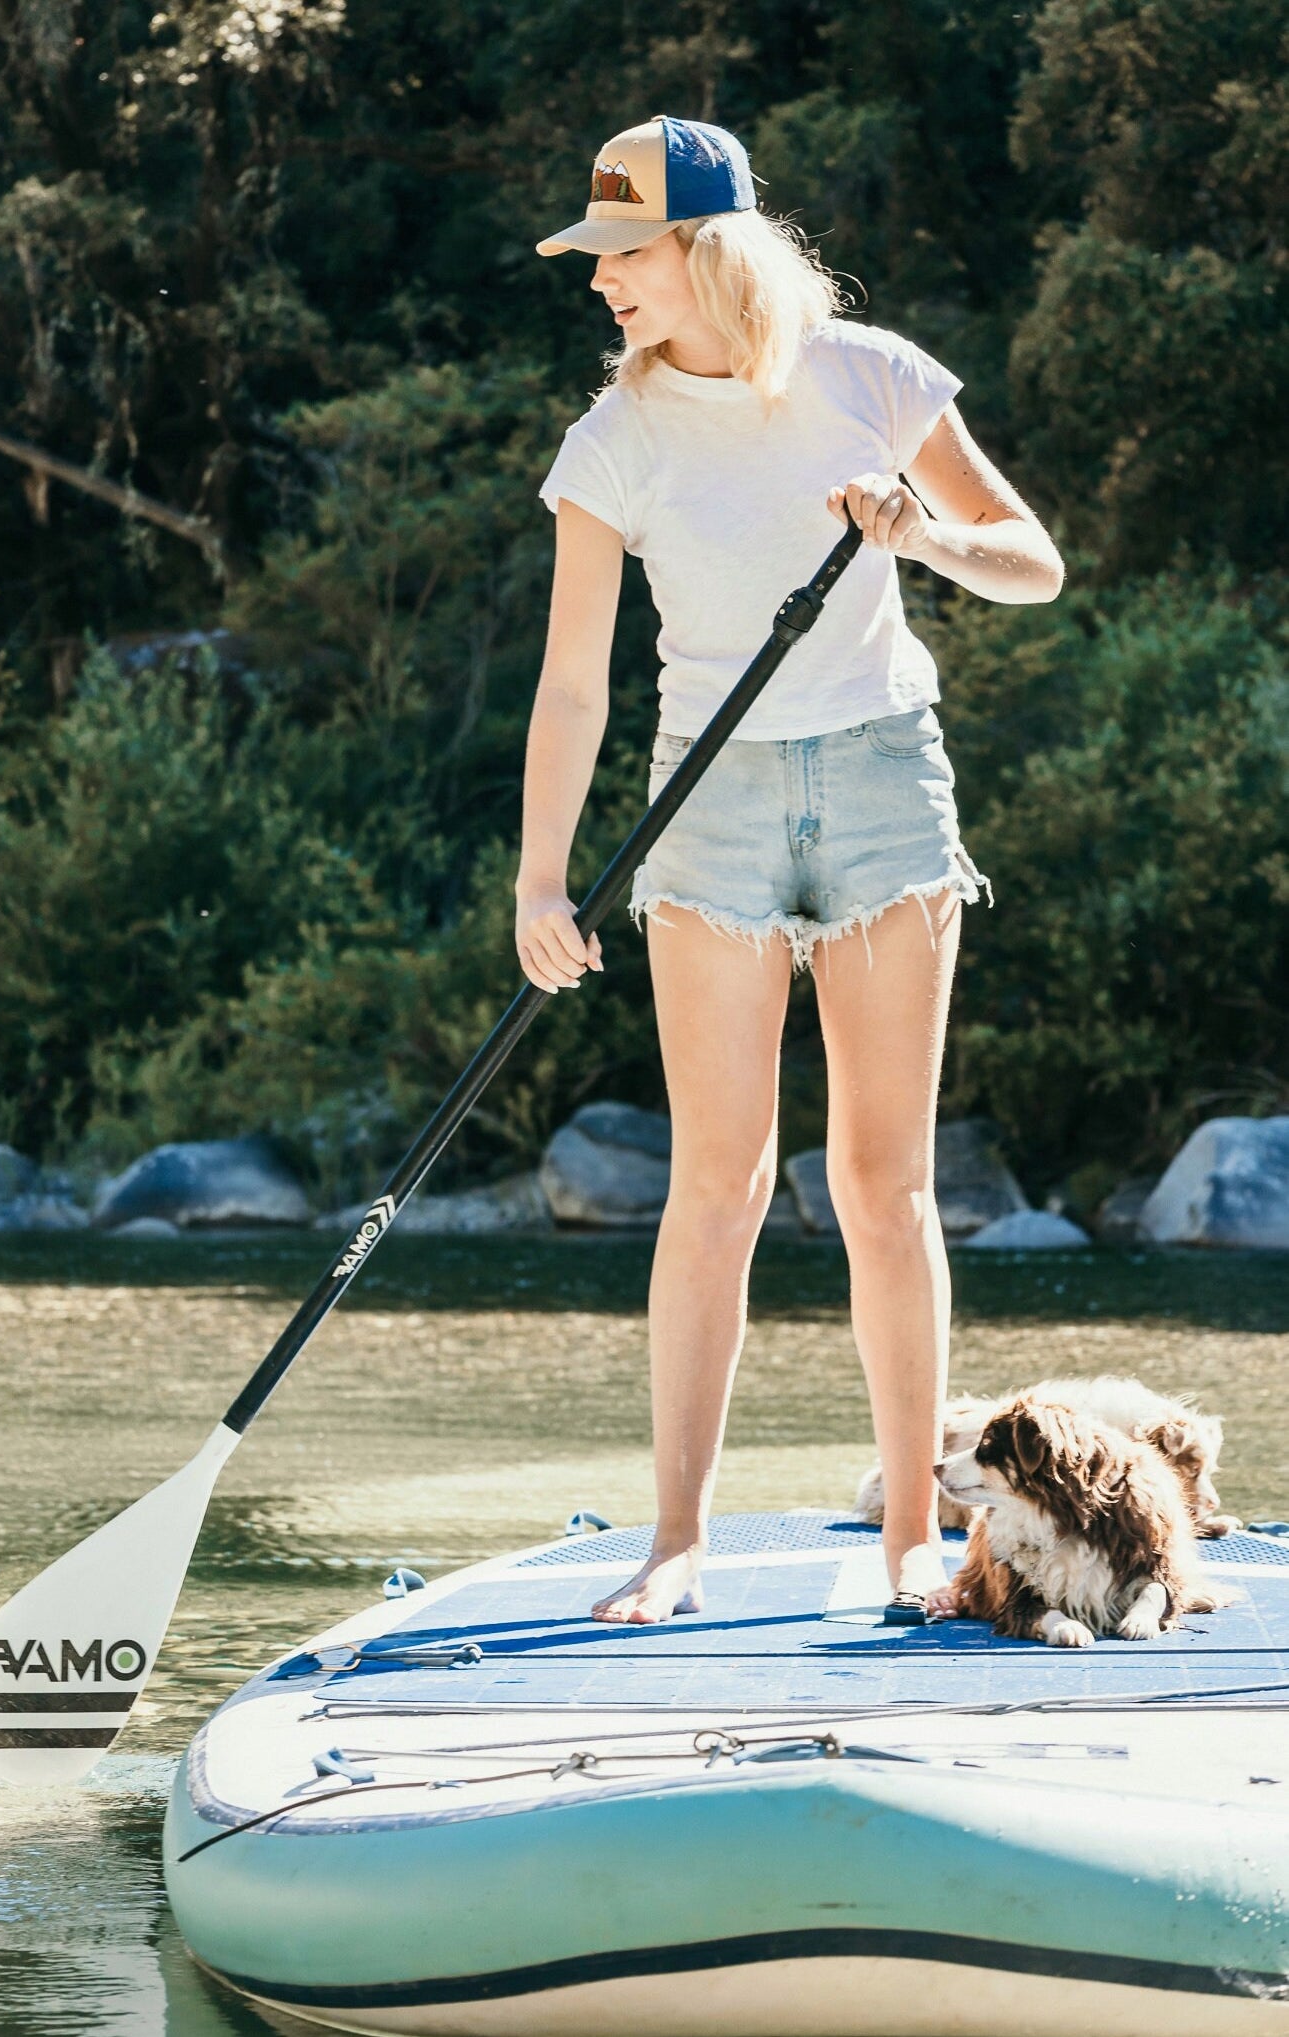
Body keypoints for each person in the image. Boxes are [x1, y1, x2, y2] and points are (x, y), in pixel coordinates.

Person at [516, 115, 1064, 1626]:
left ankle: (908, 1531)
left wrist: (921, 532)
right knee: (719, 1181)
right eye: (597, 257)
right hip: (711, 805)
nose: (600, 281)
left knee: (880, 1185)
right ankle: (673, 1540)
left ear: (706, 249)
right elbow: (573, 686)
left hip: (887, 781)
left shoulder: (872, 377)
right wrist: (538, 883)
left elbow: (1031, 556)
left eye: (622, 254)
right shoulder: (610, 439)